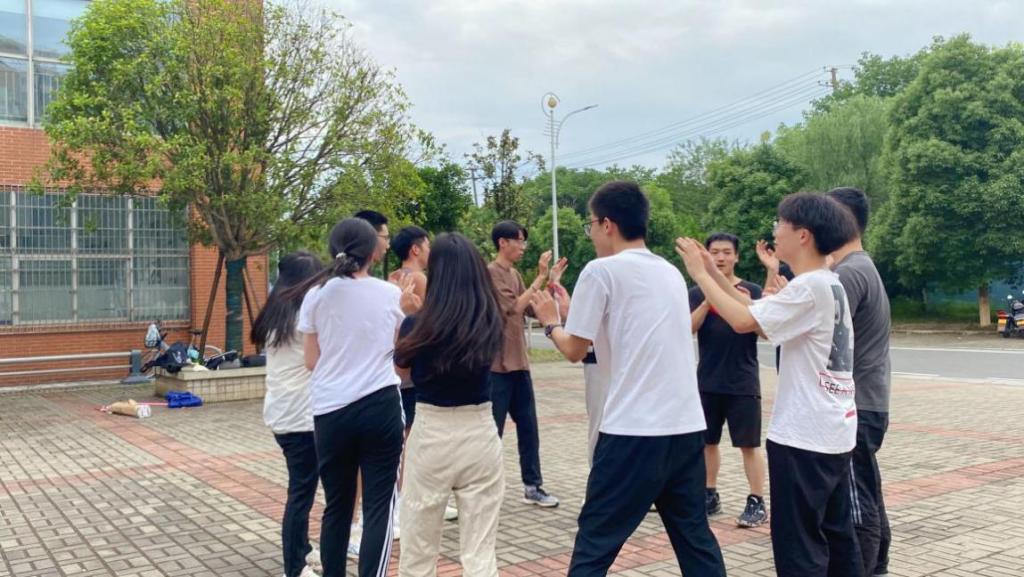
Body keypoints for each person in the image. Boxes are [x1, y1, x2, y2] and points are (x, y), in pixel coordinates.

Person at [532, 181, 726, 577]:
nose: (592, 234)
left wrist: (551, 322)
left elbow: (574, 350)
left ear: (607, 224)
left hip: (633, 431)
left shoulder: (600, 270)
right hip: (685, 427)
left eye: (590, 225)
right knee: (694, 539)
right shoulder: (669, 272)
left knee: (595, 543)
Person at [676, 192, 862, 577]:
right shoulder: (826, 282)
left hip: (804, 437)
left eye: (781, 225)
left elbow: (743, 322)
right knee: (837, 536)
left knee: (800, 546)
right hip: (832, 431)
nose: (775, 232)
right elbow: (755, 311)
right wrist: (714, 274)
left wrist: (700, 275)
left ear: (803, 235)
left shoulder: (808, 287)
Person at [293, 217, 420, 577]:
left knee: (337, 506)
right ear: (372, 252)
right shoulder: (390, 294)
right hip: (380, 406)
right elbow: (401, 354)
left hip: (330, 411)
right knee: (379, 507)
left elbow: (311, 361)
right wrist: (408, 313)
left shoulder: (315, 295)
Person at [394, 233, 506, 577]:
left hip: (431, 432)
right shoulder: (491, 318)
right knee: (480, 552)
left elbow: (401, 372)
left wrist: (409, 318)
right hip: (480, 431)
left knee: (418, 549)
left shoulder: (418, 323)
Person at [826, 187, 892, 577]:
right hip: (871, 401)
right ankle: (878, 564)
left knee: (856, 500)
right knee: (866, 487)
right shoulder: (861, 266)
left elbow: (824, 336)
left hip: (856, 404)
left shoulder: (848, 273)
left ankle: (863, 567)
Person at [252, 251, 326, 577]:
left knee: (302, 488)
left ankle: (303, 550)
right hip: (302, 416)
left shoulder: (276, 313)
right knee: (301, 493)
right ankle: (294, 568)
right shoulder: (304, 317)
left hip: (282, 412)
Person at [688, 232, 768, 528]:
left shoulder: (750, 290)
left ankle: (756, 501)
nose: (720, 258)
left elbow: (763, 328)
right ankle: (709, 494)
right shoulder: (697, 291)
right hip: (707, 380)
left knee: (749, 445)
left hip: (743, 380)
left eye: (726, 252)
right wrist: (708, 300)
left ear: (736, 256)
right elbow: (687, 328)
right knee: (707, 442)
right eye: (715, 252)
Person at [488, 220, 564, 508]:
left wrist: (551, 282)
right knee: (492, 432)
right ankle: (484, 488)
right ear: (503, 242)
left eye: (523, 241)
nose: (523, 247)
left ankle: (533, 486)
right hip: (497, 367)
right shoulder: (491, 273)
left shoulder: (515, 274)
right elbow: (513, 308)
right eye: (519, 241)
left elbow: (532, 308)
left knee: (529, 428)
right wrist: (539, 277)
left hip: (519, 364)